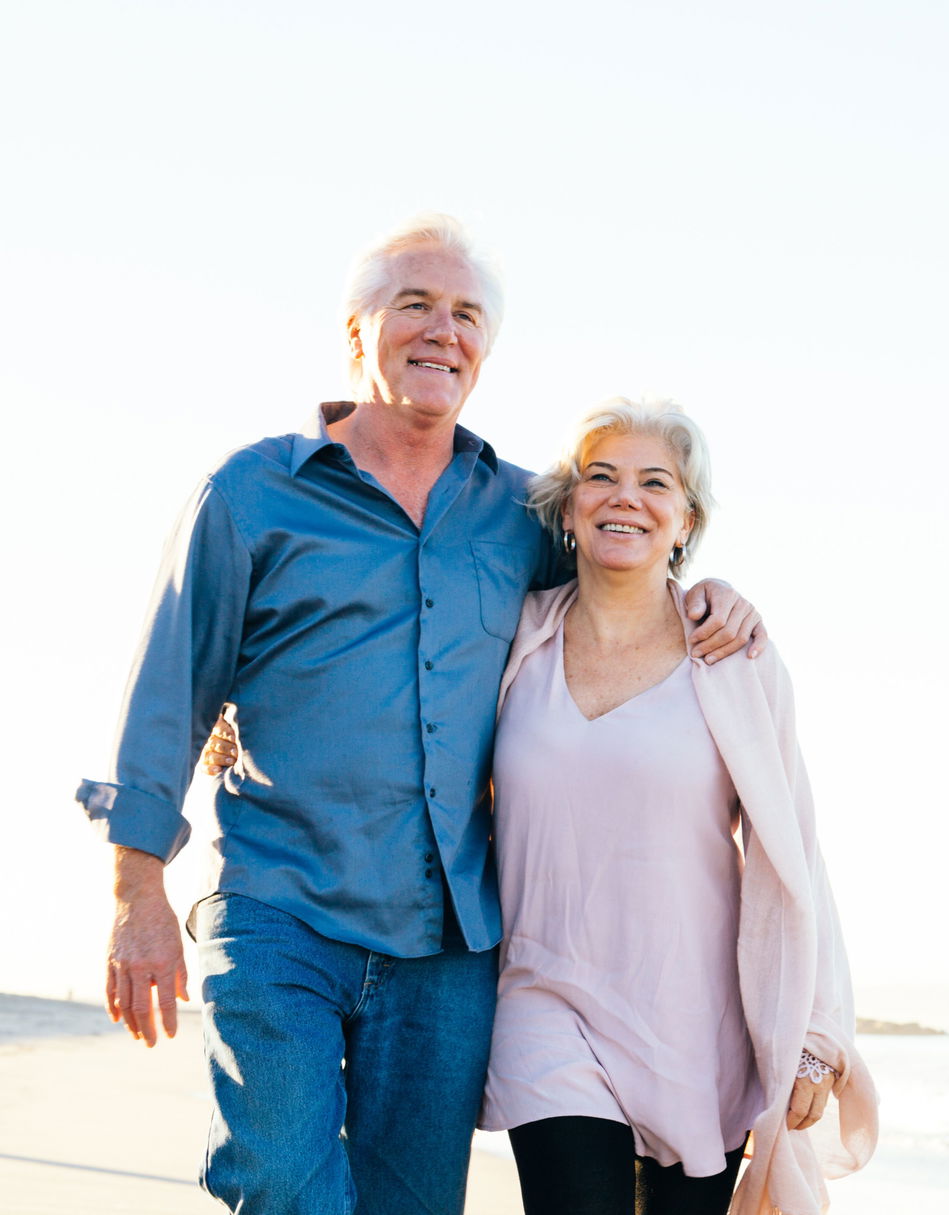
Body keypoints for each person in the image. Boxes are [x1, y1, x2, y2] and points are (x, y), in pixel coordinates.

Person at [77, 214, 764, 1215]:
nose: (443, 331)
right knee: (280, 1178)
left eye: (467, 315)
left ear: (485, 350)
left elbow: (628, 568)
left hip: (448, 947)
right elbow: (168, 693)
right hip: (281, 910)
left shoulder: (522, 512)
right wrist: (137, 892)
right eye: (415, 305)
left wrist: (715, 593)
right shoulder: (252, 495)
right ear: (357, 333)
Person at [475, 396, 876, 1214]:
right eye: (602, 476)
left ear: (686, 519)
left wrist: (817, 1035)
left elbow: (792, 847)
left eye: (655, 482)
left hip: (692, 1022)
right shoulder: (512, 641)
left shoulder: (733, 659)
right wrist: (242, 722)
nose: (626, 496)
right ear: (569, 507)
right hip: (542, 997)